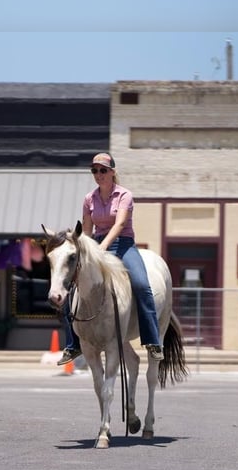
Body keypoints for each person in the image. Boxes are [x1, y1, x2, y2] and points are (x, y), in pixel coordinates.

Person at [58, 152, 164, 365]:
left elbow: (120, 224)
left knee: (142, 285)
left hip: (123, 245)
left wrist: (104, 246)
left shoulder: (125, 195)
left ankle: (152, 341)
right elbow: (87, 231)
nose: (99, 174)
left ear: (112, 172)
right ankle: (73, 345)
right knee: (69, 289)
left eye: (103, 170)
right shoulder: (89, 198)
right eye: (95, 171)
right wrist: (86, 250)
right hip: (96, 244)